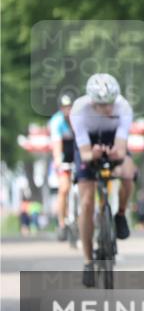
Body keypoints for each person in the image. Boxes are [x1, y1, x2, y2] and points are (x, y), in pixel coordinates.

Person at [69, 74, 137, 287]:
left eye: (110, 103)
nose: (108, 109)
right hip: (88, 146)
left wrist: (116, 154)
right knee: (87, 202)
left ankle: (120, 214)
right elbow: (85, 152)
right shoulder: (79, 110)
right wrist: (93, 155)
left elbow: (121, 147)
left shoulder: (123, 107)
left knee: (128, 174)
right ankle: (88, 260)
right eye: (101, 105)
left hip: (111, 141)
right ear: (92, 101)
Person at [48, 93, 76, 241]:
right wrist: (59, 162)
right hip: (63, 154)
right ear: (61, 108)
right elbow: (57, 145)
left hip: (77, 152)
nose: (68, 110)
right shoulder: (56, 121)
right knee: (64, 188)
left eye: (70, 107)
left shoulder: (78, 119)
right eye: (65, 108)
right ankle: (62, 222)